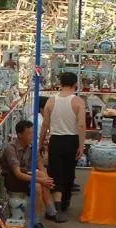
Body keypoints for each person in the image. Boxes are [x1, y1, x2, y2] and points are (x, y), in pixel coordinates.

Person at [1, 120, 66, 228]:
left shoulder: (31, 147)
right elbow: (18, 174)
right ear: (20, 135)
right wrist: (42, 180)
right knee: (38, 185)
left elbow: (40, 165)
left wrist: (46, 180)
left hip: (26, 175)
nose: (32, 136)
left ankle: (47, 214)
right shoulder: (11, 149)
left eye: (32, 133)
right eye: (29, 133)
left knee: (41, 179)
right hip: (13, 179)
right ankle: (43, 216)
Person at [40, 71, 86, 212]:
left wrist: (41, 142)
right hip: (71, 140)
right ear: (75, 84)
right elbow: (81, 125)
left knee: (55, 172)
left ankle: (56, 204)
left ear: (60, 84)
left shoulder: (51, 101)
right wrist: (81, 145)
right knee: (68, 172)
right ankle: (64, 202)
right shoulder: (78, 102)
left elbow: (45, 124)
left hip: (56, 140)